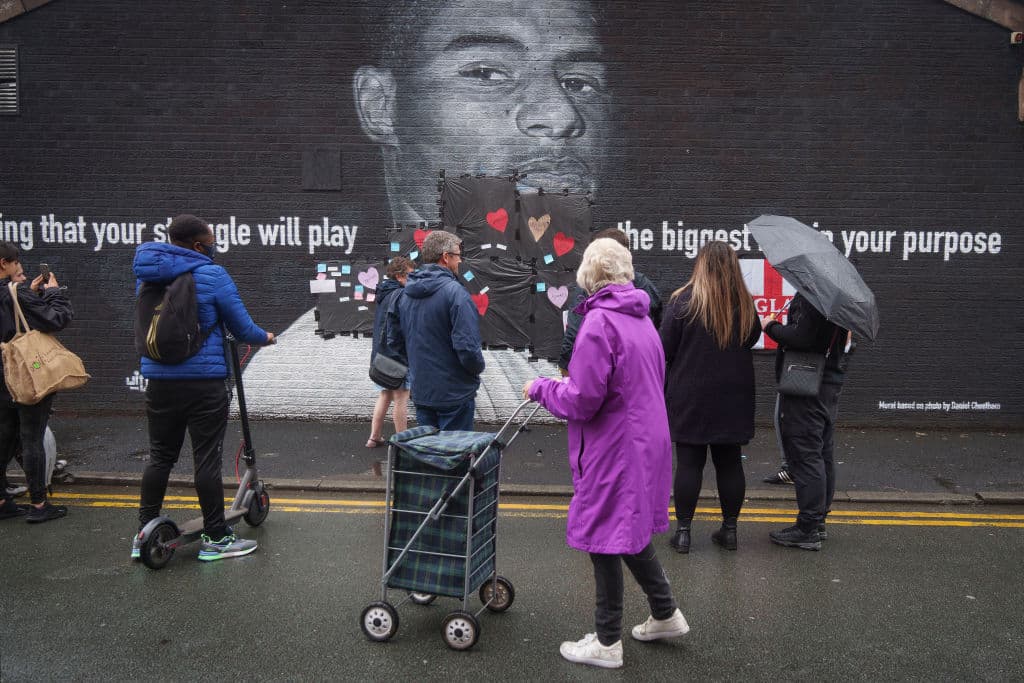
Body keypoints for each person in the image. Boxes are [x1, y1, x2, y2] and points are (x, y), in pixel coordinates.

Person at [241, 0, 615, 422]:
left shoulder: (597, 321)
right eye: (485, 74)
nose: (561, 115)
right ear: (380, 105)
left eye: (580, 81)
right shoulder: (323, 372)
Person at [523, 239, 687, 670]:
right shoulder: (641, 318)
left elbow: (582, 400)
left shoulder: (599, 322)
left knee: (603, 536)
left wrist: (541, 387)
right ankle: (665, 613)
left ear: (588, 277)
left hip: (615, 446)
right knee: (627, 528)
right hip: (645, 440)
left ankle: (608, 641)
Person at [131, 214, 275, 562]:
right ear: (198, 246)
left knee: (160, 457)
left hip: (159, 383)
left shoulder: (147, 277)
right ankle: (216, 538)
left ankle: (144, 533)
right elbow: (243, 328)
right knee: (206, 459)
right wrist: (266, 337)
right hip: (203, 384)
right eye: (211, 241)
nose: (214, 246)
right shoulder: (212, 274)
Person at [659, 242, 761, 553]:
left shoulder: (683, 302)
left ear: (701, 265)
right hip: (733, 395)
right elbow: (753, 338)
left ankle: (684, 534)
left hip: (690, 395)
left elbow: (664, 348)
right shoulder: (743, 303)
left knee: (689, 464)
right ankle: (729, 531)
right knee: (729, 463)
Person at [762, 291, 850, 551]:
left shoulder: (816, 297)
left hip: (808, 386)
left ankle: (808, 528)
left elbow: (802, 337)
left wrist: (771, 326)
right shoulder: (836, 299)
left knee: (806, 454)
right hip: (828, 383)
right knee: (822, 453)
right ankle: (818, 521)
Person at [0, 242, 74, 523]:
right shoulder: (15, 293)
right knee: (31, 438)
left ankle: (2, 500)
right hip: (23, 374)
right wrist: (53, 293)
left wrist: (29, 296)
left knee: (4, 436)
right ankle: (39, 505)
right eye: (15, 262)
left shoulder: (17, 294)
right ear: (4, 263)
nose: (17, 266)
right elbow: (56, 319)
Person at [386, 231, 484, 431]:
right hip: (455, 394)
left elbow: (394, 341)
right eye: (458, 255)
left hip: (422, 392)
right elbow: (467, 347)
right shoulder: (456, 294)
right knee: (454, 449)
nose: (460, 260)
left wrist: (416, 369)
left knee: (428, 448)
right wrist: (476, 369)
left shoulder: (404, 295)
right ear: (446, 257)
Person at [558, 228, 661, 374]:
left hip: (601, 372)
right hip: (641, 370)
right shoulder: (644, 288)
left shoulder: (588, 291)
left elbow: (574, 335)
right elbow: (657, 330)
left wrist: (566, 371)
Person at [366, 256, 415, 447]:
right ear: (399, 276)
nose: (413, 279)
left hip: (381, 355)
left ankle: (374, 437)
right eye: (410, 275)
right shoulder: (401, 295)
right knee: (401, 397)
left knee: (385, 394)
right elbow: (399, 330)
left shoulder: (384, 293)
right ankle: (402, 441)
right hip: (396, 356)